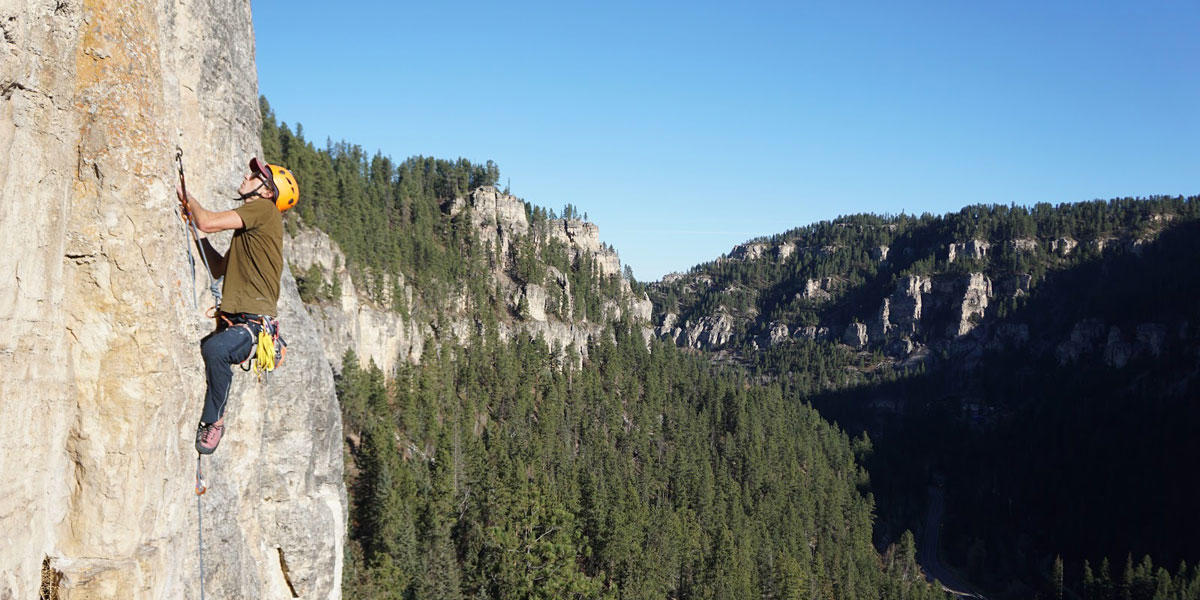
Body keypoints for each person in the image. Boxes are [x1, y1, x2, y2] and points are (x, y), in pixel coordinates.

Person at [177, 157, 299, 454]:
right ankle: (213, 414)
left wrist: (184, 194)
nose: (248, 175)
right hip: (244, 323)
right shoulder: (251, 232)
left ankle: (214, 422)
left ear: (268, 192)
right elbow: (219, 267)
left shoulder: (263, 210)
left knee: (216, 350)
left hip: (253, 325)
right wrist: (195, 233)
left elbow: (207, 220)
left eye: (257, 175)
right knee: (211, 349)